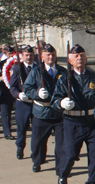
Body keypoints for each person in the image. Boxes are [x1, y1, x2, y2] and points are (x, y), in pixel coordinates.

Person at [52, 44, 95, 184]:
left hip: (92, 121)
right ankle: (63, 173)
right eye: (76, 56)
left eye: (82, 55)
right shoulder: (64, 79)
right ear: (70, 60)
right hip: (72, 122)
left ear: (86, 58)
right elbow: (55, 101)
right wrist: (62, 104)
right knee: (71, 154)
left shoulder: (94, 77)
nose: (79, 58)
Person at [24, 43, 66, 173]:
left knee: (61, 144)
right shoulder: (36, 72)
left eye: (53, 55)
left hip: (59, 112)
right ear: (42, 56)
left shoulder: (62, 71)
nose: (50, 57)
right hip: (42, 112)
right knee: (38, 141)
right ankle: (37, 161)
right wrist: (37, 94)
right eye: (48, 55)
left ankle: (60, 168)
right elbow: (27, 89)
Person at [9, 45, 36, 159]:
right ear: (22, 56)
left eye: (30, 55)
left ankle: (36, 151)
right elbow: (13, 87)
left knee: (37, 129)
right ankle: (20, 148)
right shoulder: (17, 68)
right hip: (22, 103)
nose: (28, 57)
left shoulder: (38, 68)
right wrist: (19, 94)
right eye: (26, 55)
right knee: (22, 128)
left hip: (35, 103)